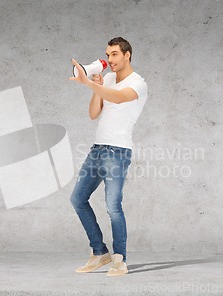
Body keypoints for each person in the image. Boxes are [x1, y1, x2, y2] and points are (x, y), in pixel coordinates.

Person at [69, 37, 148, 276]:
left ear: (127, 55)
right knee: (78, 199)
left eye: (114, 54)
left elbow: (118, 97)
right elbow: (94, 113)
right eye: (107, 54)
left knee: (113, 206)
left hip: (118, 151)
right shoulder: (109, 79)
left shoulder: (138, 83)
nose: (110, 59)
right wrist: (95, 86)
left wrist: (89, 84)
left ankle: (120, 259)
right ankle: (99, 252)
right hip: (97, 149)